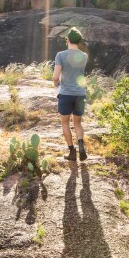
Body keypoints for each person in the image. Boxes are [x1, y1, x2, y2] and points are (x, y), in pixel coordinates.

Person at [53, 27, 88, 161]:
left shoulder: (60, 55)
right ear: (78, 41)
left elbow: (56, 77)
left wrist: (55, 85)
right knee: (78, 123)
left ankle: (72, 152)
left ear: (67, 39)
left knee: (65, 124)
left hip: (66, 94)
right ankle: (81, 144)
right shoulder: (84, 56)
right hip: (80, 94)